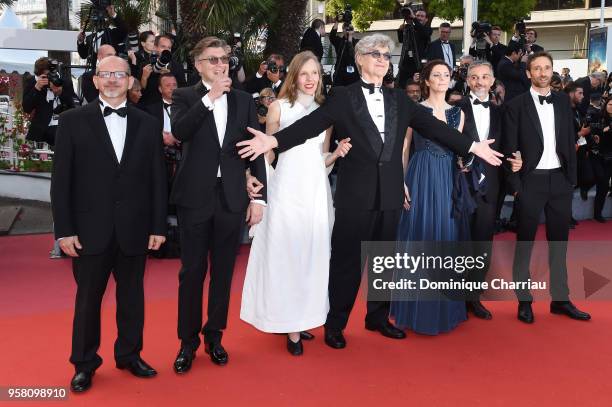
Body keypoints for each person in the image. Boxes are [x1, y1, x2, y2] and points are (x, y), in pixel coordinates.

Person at [237, 34, 504, 349]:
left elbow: (436, 128)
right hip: (355, 194)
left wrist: (472, 145)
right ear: (360, 59)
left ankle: (377, 317)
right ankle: (336, 325)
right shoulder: (342, 96)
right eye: (375, 53)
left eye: (385, 54)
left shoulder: (400, 100)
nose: (381, 58)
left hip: (390, 194)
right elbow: (311, 124)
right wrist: (274, 140)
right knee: (347, 263)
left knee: (385, 261)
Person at [51, 56, 167, 393]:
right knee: (88, 300)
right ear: (96, 81)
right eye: (106, 74)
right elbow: (61, 183)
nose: (113, 79)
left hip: (134, 228)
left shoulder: (147, 122)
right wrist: (64, 231)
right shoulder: (72, 121)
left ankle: (130, 355)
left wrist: (158, 226)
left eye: (120, 74)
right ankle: (84, 363)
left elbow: (158, 180)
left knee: (132, 298)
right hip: (89, 231)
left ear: (131, 81)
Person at [241, 51, 352, 356]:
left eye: (315, 73)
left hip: (315, 191)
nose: (310, 79)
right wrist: (259, 190)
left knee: (311, 256)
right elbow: (267, 155)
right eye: (304, 73)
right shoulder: (278, 107)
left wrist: (336, 155)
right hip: (286, 189)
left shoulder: (325, 112)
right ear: (293, 76)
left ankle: (302, 317)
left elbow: (321, 161)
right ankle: (290, 327)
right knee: (286, 255)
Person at [170, 37, 268, 374]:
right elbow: (181, 132)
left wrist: (260, 197)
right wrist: (209, 99)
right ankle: (187, 342)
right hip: (194, 197)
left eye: (224, 58)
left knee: (224, 272)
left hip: (231, 197)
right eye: (212, 59)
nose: (220, 64)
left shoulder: (243, 100)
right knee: (192, 272)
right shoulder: (184, 96)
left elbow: (255, 148)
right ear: (198, 64)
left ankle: (215, 336)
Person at [503, 51, 591, 324]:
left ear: (553, 71)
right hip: (531, 181)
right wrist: (516, 186)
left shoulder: (564, 102)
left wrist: (571, 179)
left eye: (547, 68)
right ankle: (524, 300)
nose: (543, 73)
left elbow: (568, 141)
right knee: (525, 242)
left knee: (559, 243)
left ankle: (560, 299)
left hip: (560, 181)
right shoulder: (515, 105)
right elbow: (509, 147)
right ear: (528, 73)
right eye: (537, 68)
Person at [391, 60, 473, 334]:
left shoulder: (458, 113)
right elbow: (404, 146)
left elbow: (458, 146)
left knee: (445, 237)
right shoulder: (414, 110)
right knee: (419, 236)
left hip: (447, 177)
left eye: (446, 75)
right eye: (436, 75)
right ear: (426, 80)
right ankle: (417, 309)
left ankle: (443, 308)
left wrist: (464, 163)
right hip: (422, 174)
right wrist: (401, 181)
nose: (441, 79)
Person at [457, 61, 522, 319]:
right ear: (468, 81)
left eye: (485, 77)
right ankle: (453, 297)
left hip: (491, 187)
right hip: (460, 184)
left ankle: (473, 298)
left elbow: (508, 148)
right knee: (458, 242)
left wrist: (516, 173)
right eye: (474, 77)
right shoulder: (455, 109)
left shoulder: (502, 113)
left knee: (482, 244)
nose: (480, 81)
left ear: (493, 80)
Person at [22, 57, 77, 146]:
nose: (48, 78)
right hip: (41, 128)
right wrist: (37, 88)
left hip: (62, 125)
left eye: (50, 74)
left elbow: (73, 106)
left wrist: (60, 93)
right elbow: (26, 108)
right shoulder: (32, 82)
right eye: (45, 76)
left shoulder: (63, 81)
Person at [396, 7, 432, 88]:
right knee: (402, 89)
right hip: (405, 65)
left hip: (419, 66)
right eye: (417, 15)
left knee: (417, 88)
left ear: (426, 19)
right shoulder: (408, 28)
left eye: (422, 16)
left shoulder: (427, 29)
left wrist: (414, 19)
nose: (419, 18)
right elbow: (401, 40)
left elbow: (424, 33)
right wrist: (402, 29)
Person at [593, 98, 612, 221]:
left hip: (610, 157)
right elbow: (593, 132)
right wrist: (603, 130)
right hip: (599, 157)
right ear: (606, 105)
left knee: (605, 185)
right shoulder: (599, 117)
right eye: (610, 104)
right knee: (603, 184)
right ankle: (597, 214)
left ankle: (598, 213)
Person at [329, 19, 360, 86]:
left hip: (354, 73)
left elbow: (352, 54)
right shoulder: (339, 41)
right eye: (345, 29)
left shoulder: (357, 42)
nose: (347, 31)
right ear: (343, 30)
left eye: (349, 29)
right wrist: (337, 21)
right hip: (340, 72)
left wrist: (350, 37)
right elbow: (332, 36)